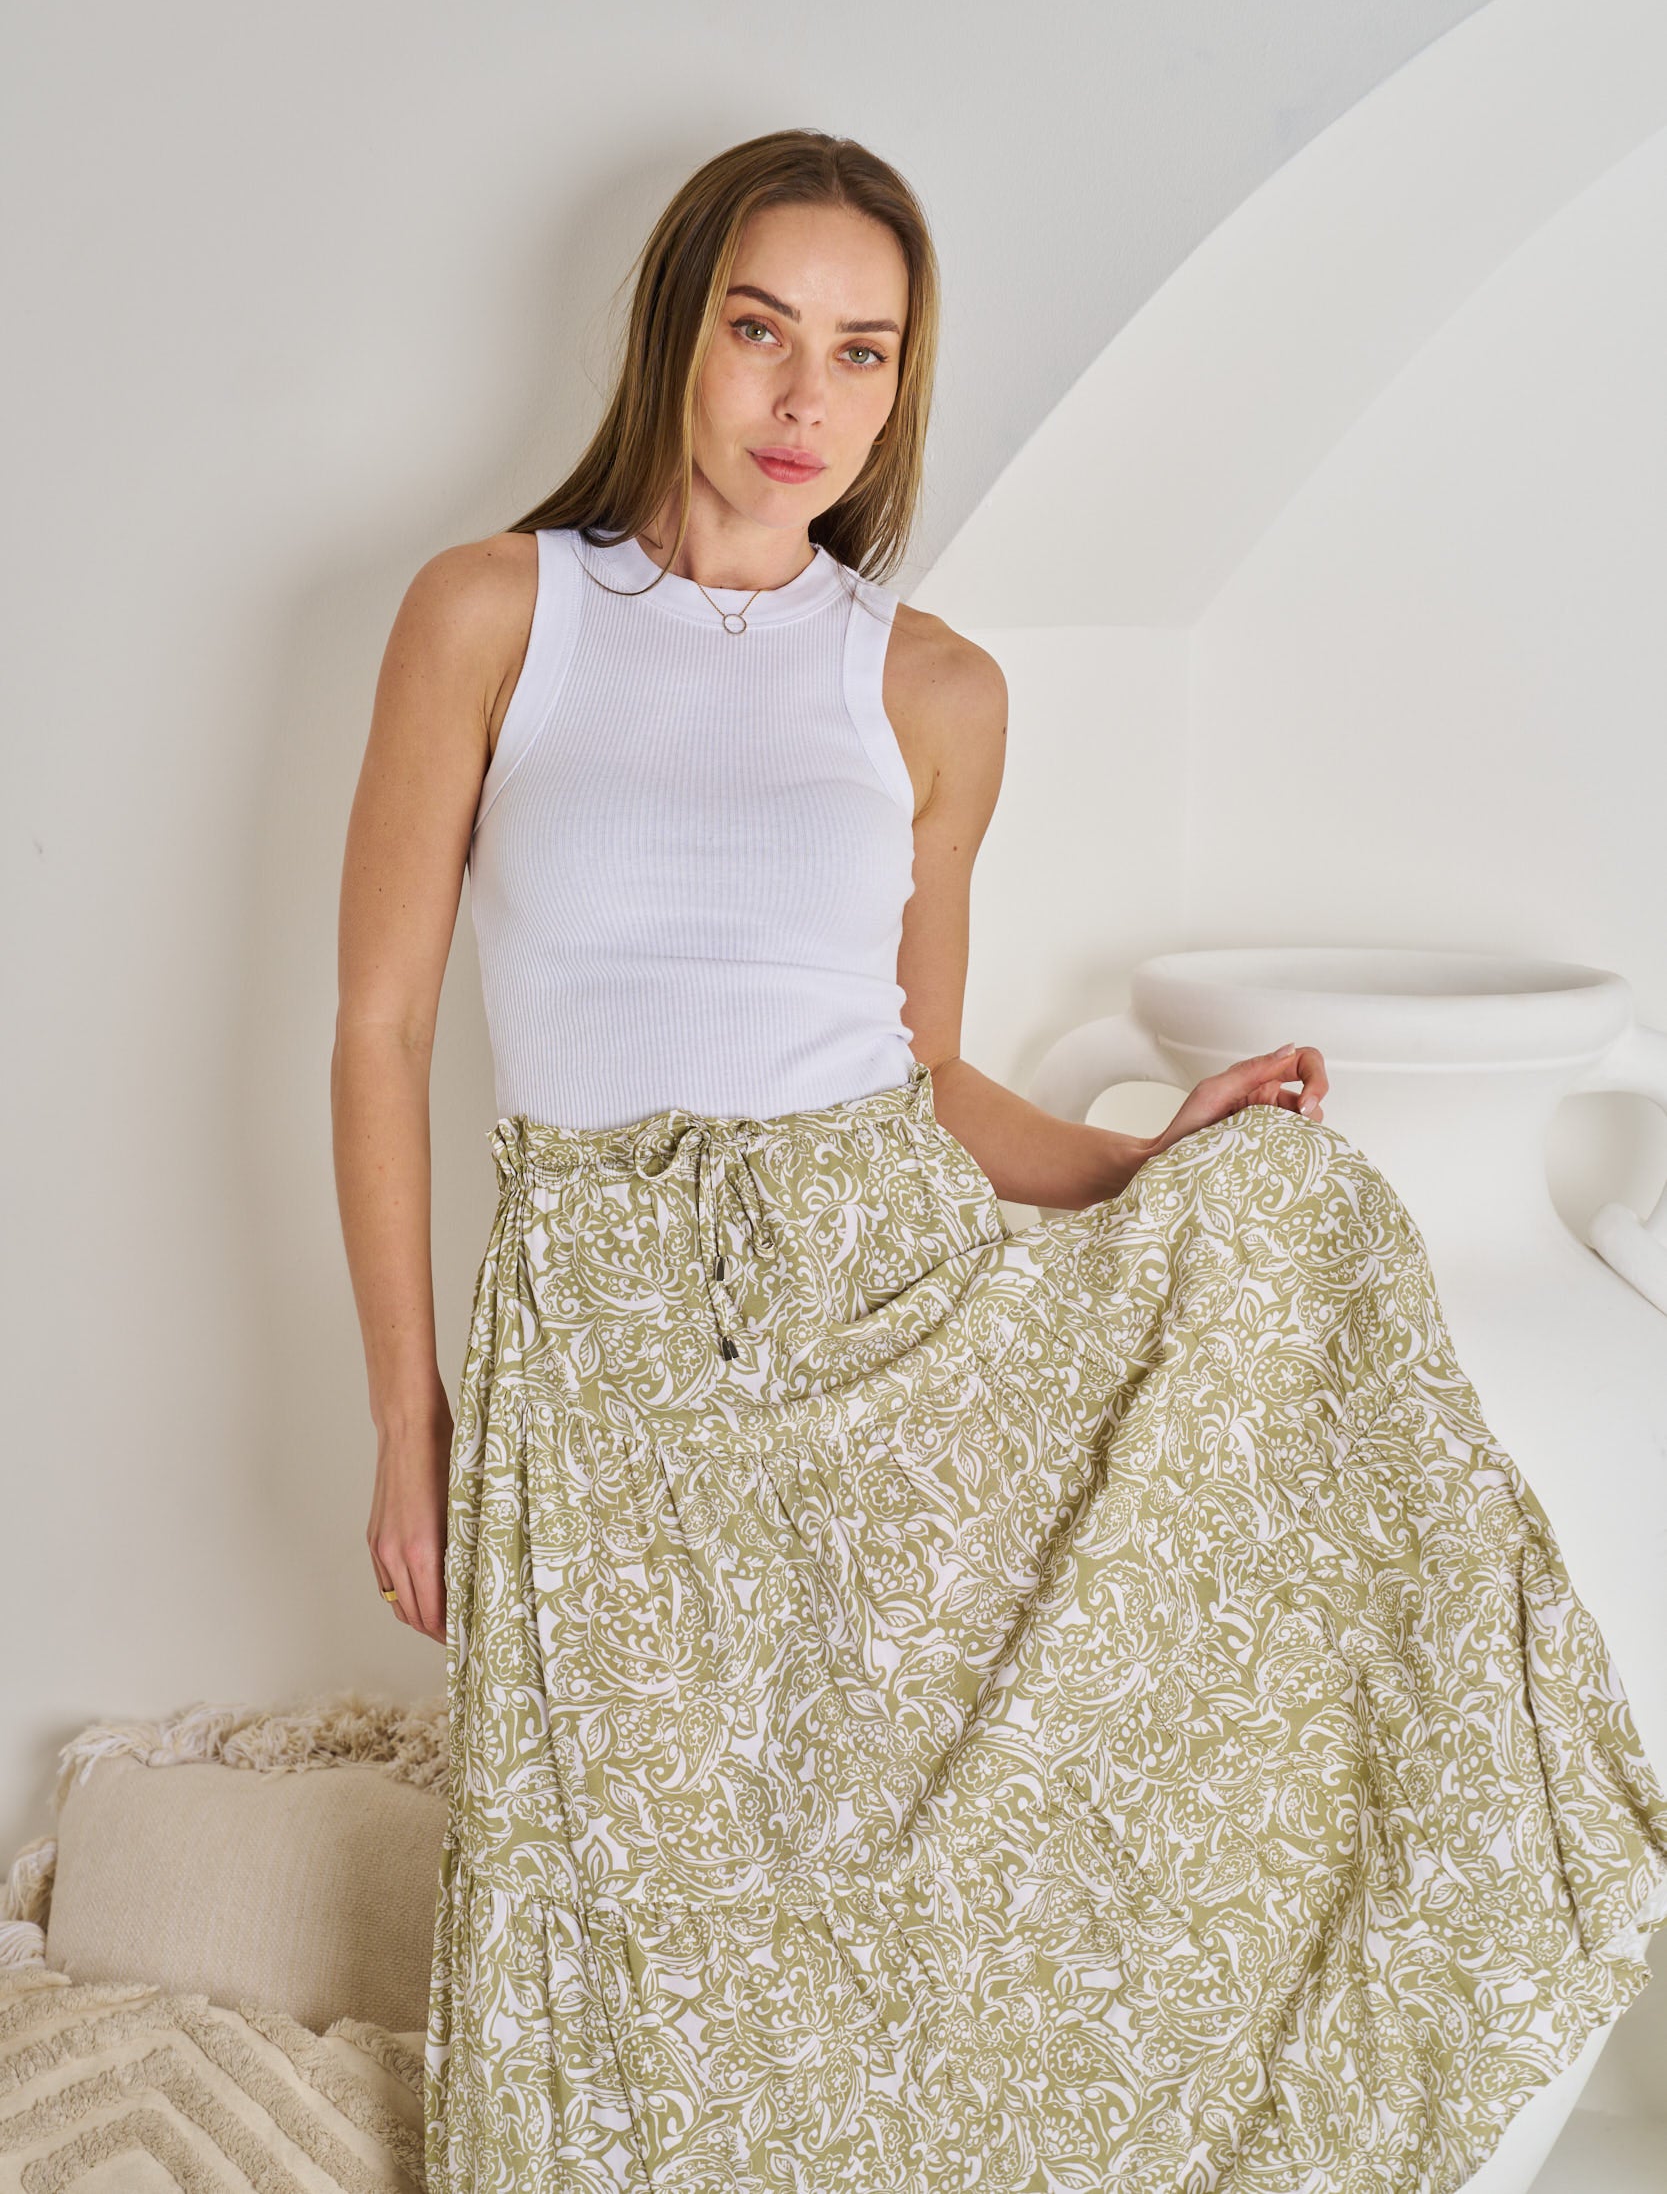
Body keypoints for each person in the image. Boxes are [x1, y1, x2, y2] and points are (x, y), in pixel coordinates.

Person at [332, 129, 1667, 2193]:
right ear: (676, 331)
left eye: (862, 353)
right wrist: (410, 1415)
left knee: (931, 1849)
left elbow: (925, 1074)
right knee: (633, 1896)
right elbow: (383, 1030)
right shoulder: (495, 613)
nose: (807, 397)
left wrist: (1147, 1161)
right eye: (764, 332)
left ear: (901, 383)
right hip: (603, 1353)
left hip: (881, 1303)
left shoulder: (932, 683)